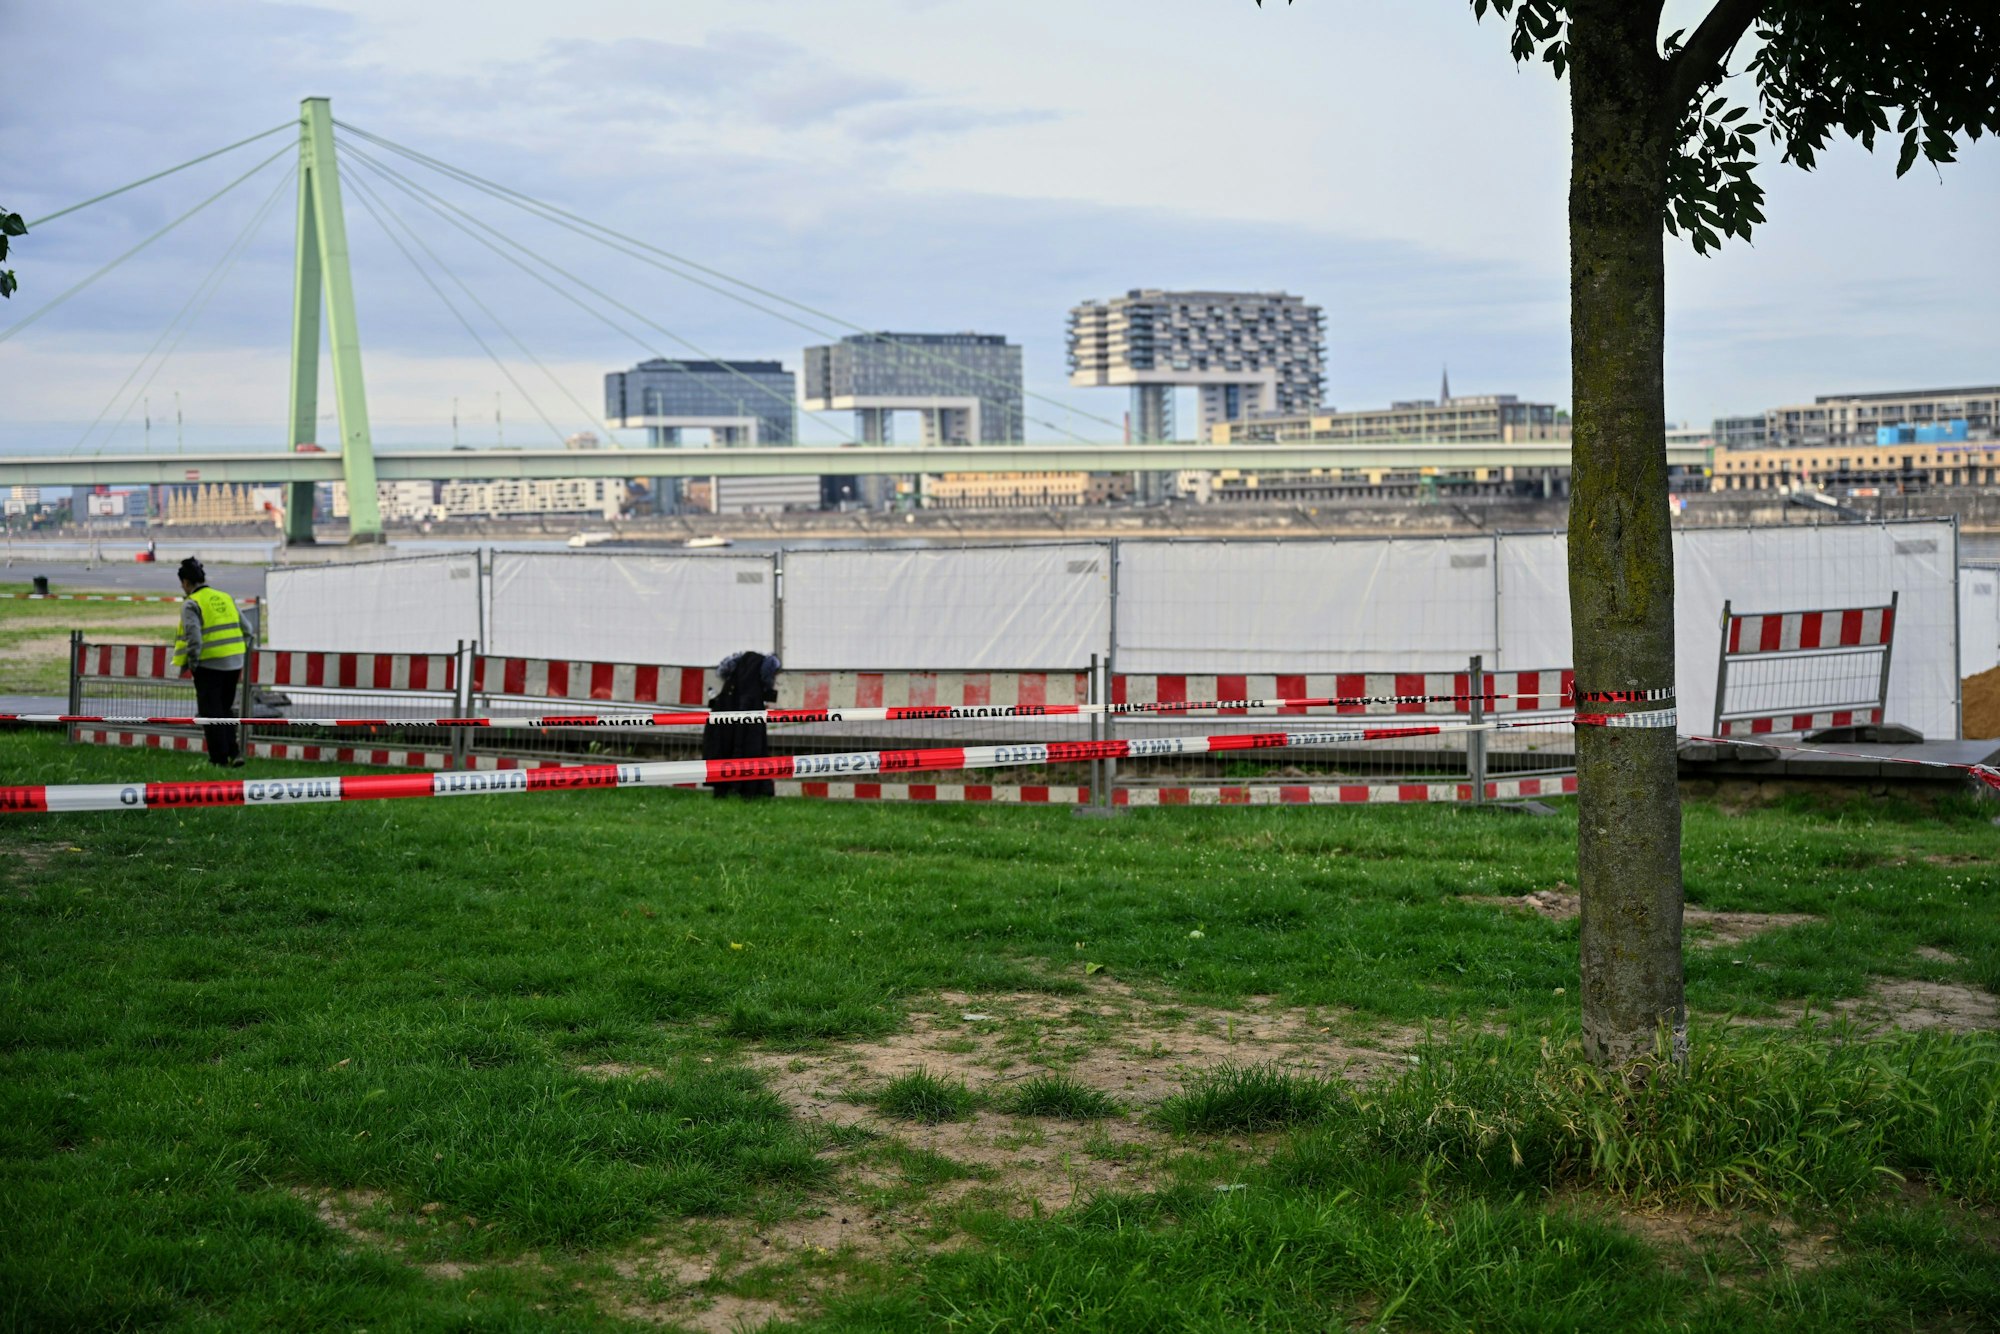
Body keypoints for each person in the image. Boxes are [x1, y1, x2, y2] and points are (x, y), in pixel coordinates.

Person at [172, 557, 248, 767]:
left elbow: (193, 637)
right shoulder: (225, 597)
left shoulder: (191, 603)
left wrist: (194, 663)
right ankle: (234, 752)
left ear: (186, 582)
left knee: (210, 713)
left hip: (209, 665)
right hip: (234, 663)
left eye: (182, 584)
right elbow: (248, 629)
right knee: (225, 710)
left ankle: (219, 759)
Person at [702, 650, 779, 799]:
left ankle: (722, 790)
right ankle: (749, 791)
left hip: (726, 714)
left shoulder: (731, 683)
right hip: (750, 716)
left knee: (723, 748)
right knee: (751, 749)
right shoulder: (756, 684)